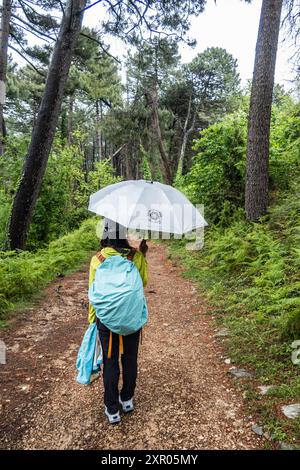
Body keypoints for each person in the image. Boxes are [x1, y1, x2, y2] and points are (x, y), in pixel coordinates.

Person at [88, 219, 148, 424]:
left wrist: (92, 320)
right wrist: (141, 253)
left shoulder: (98, 258)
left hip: (106, 319)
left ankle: (112, 409)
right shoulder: (134, 256)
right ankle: (127, 399)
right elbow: (143, 282)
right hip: (131, 317)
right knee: (130, 358)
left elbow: (92, 292)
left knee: (110, 360)